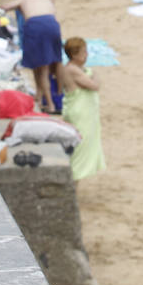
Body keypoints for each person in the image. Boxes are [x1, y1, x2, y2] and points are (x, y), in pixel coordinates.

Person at [0, 0, 63, 114]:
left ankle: (50, 105)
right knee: (49, 64)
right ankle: (41, 97)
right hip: (53, 25)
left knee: (40, 68)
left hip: (35, 26)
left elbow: (4, 7)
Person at [59, 37, 105, 179]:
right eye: (83, 52)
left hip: (82, 111)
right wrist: (95, 75)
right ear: (74, 55)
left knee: (81, 149)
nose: (86, 55)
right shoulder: (72, 69)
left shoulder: (74, 69)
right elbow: (94, 86)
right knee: (80, 152)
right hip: (80, 113)